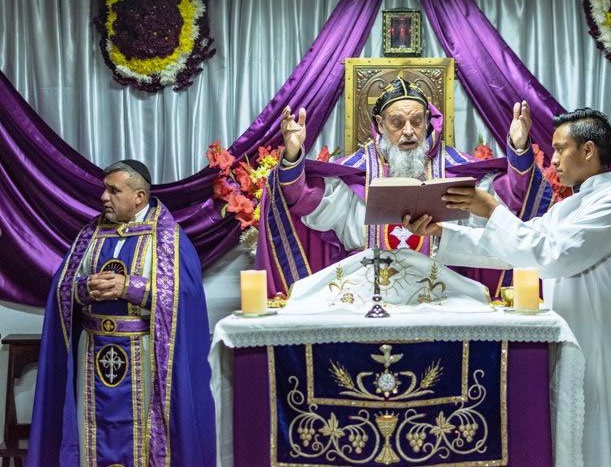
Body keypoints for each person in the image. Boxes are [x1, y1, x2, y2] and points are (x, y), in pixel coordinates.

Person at [404, 108, 611, 466]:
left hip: (595, 345)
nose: (555, 160)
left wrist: (493, 210)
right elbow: (516, 249)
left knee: (593, 443)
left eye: (560, 149)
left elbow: (550, 255)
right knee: (563, 443)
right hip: (565, 337)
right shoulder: (569, 208)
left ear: (588, 150)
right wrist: (443, 233)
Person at [256, 77, 557, 294]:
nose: (409, 131)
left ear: (428, 120)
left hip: (442, 291)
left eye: (417, 121)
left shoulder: (455, 169)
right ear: (379, 123)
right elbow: (301, 199)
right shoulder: (355, 174)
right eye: (397, 122)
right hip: (366, 291)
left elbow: (512, 200)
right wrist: (293, 154)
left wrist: (519, 148)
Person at [28, 160, 216, 467]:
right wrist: (86, 289)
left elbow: (185, 297)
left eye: (113, 190)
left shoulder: (167, 238)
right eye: (105, 189)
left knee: (141, 435)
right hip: (92, 355)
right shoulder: (90, 235)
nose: (104, 197)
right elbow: (62, 289)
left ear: (139, 196)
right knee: (91, 433)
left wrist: (130, 287)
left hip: (144, 355)